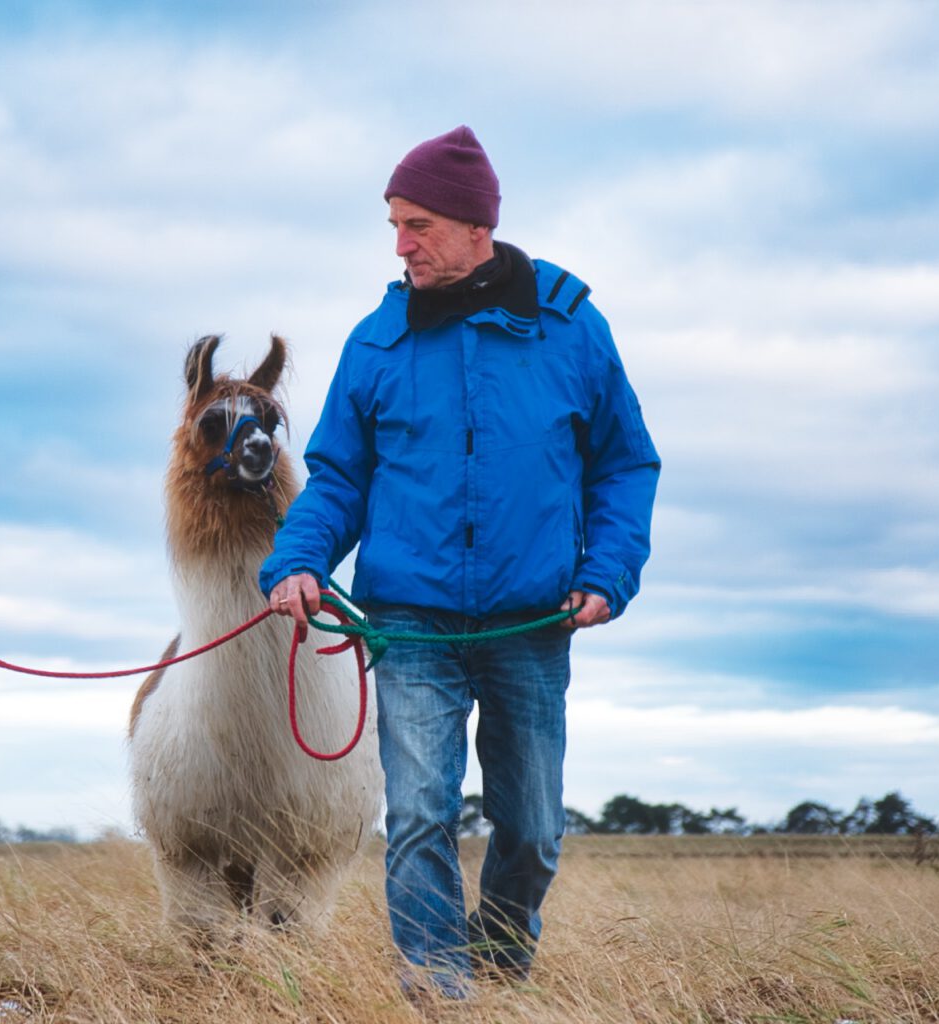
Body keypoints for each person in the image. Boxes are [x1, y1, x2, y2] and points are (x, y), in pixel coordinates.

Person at [260, 126, 660, 1000]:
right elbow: (335, 481)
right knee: (419, 816)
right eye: (395, 225)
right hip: (409, 623)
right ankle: (439, 989)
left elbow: (626, 463)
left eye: (419, 225)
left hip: (533, 621)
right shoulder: (376, 342)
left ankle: (502, 970)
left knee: (531, 831)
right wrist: (295, 561)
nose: (401, 245)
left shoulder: (571, 328)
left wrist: (609, 571)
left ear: (477, 226)